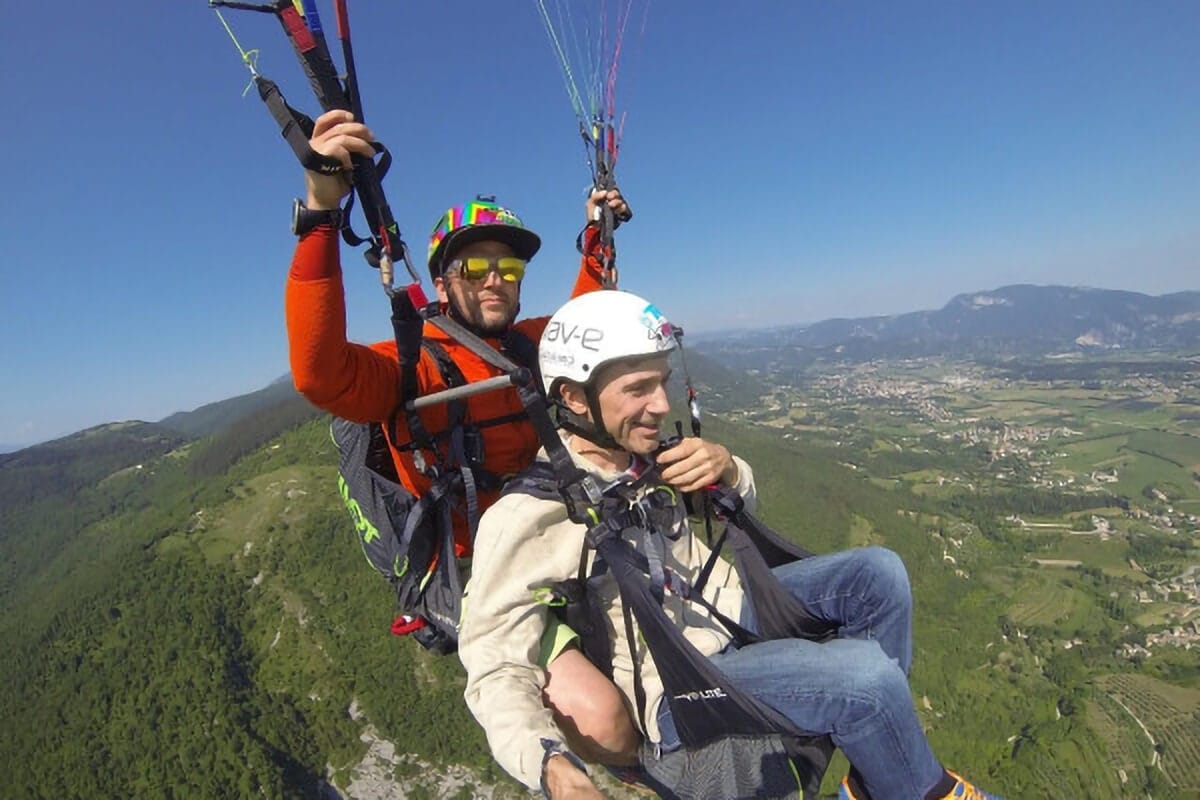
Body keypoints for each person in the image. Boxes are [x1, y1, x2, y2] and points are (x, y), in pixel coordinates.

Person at [458, 290, 1004, 800]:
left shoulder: (649, 458)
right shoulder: (531, 516)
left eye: (662, 382)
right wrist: (552, 766)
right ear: (573, 399)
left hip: (724, 607)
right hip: (677, 681)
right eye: (636, 389)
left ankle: (882, 778)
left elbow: (739, 507)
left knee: (879, 575)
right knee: (867, 680)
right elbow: (494, 665)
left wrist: (728, 469)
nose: (658, 404)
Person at [285, 109, 639, 765]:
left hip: (557, 541)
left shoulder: (532, 343)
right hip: (477, 572)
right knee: (608, 720)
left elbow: (588, 317)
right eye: (477, 266)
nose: (497, 278)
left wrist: (597, 233)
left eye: (509, 269)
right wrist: (319, 215)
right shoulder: (410, 364)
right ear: (443, 280)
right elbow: (319, 372)